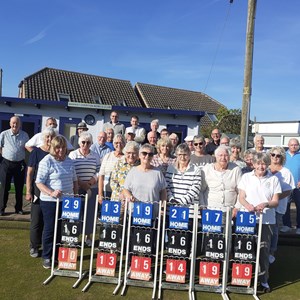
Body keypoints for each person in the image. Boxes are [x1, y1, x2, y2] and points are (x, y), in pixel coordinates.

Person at [238, 152, 281, 292]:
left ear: (267, 164)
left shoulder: (273, 179)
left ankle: (263, 281)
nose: (261, 166)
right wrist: (247, 206)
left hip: (266, 221)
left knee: (263, 251)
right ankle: (244, 278)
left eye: (264, 163)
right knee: (245, 249)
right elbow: (241, 197)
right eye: (259, 163)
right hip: (247, 219)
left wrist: (265, 204)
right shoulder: (246, 177)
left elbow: (275, 201)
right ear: (254, 164)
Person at [36, 136, 78, 269]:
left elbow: (74, 180)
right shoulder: (46, 161)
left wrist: (75, 196)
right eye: (58, 147)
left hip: (67, 202)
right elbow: (39, 182)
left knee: (61, 229)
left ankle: (57, 255)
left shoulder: (69, 161)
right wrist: (51, 192)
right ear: (53, 148)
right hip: (50, 201)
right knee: (50, 228)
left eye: (63, 147)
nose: (61, 150)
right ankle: (47, 256)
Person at [25, 128, 56, 258]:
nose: (49, 139)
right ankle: (34, 246)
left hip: (52, 194)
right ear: (43, 138)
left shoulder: (56, 153)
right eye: (47, 137)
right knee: (36, 222)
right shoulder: (36, 152)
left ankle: (48, 246)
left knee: (48, 222)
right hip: (38, 192)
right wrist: (28, 191)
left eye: (51, 137)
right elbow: (30, 173)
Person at [69, 132, 100, 246]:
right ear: (79, 143)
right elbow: (71, 171)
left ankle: (88, 237)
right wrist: (81, 183)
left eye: (88, 142)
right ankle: (73, 238)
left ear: (91, 143)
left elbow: (99, 171)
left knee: (90, 214)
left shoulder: (95, 155)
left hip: (91, 188)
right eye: (83, 142)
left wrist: (91, 182)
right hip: (76, 188)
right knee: (74, 214)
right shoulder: (72, 155)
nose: (85, 144)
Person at [122, 143, 167, 217]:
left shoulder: (158, 172)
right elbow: (125, 189)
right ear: (139, 155)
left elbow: (163, 191)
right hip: (134, 213)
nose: (147, 156)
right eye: (144, 153)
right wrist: (129, 196)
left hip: (152, 214)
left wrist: (162, 207)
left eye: (150, 154)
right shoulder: (133, 171)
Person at [268, 147, 294, 264]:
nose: (275, 157)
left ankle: (271, 253)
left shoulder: (286, 172)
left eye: (278, 155)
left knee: (274, 230)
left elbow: (288, 190)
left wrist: (274, 199)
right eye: (273, 155)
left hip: (278, 207)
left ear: (282, 157)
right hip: (264, 207)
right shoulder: (264, 168)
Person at [0, 116, 29, 216]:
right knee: (4, 187)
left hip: (19, 164)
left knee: (19, 187)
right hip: (6, 163)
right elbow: (0, 147)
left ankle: (19, 208)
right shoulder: (3, 134)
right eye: (13, 123)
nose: (15, 125)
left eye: (17, 123)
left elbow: (27, 148)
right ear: (10, 124)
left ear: (20, 124)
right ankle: (1, 208)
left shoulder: (25, 135)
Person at [165, 143, 202, 216]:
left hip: (189, 212)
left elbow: (196, 188)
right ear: (176, 155)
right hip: (171, 210)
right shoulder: (171, 168)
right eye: (180, 155)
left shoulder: (196, 169)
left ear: (189, 155)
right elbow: (166, 186)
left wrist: (180, 202)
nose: (182, 157)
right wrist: (171, 199)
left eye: (185, 154)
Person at [98, 134, 125, 202]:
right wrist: (100, 193)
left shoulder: (126, 158)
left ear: (124, 144)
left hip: (120, 193)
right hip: (106, 191)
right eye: (116, 143)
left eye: (120, 143)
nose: (118, 145)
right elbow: (101, 175)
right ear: (113, 144)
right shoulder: (107, 156)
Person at [281, 138, 300, 234]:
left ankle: (299, 227)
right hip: (286, 185)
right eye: (292, 144)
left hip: (298, 186)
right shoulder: (283, 156)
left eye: (296, 144)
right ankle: (286, 225)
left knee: (299, 206)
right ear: (288, 145)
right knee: (286, 205)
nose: (294, 146)